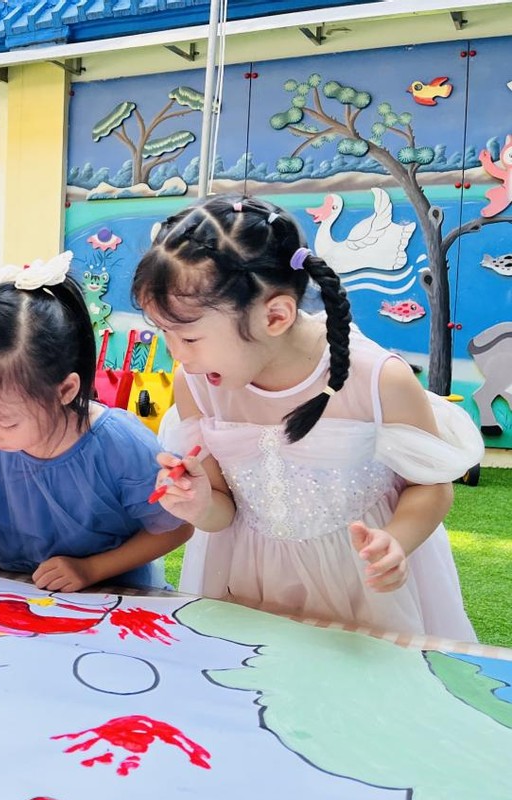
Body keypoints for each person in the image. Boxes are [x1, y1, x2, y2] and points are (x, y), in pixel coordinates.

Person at [135, 195, 482, 639]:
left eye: (189, 337)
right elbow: (223, 508)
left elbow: (430, 487)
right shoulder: (195, 384)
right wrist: (199, 504)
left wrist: (396, 541)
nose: (177, 356)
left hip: (362, 592)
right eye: (165, 335)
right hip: (247, 587)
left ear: (275, 316)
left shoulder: (378, 379)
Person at [0, 253, 192, 592]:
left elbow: (177, 527)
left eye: (5, 421)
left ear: (66, 390)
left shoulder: (120, 445)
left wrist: (91, 569)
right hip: (5, 587)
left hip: (103, 593)